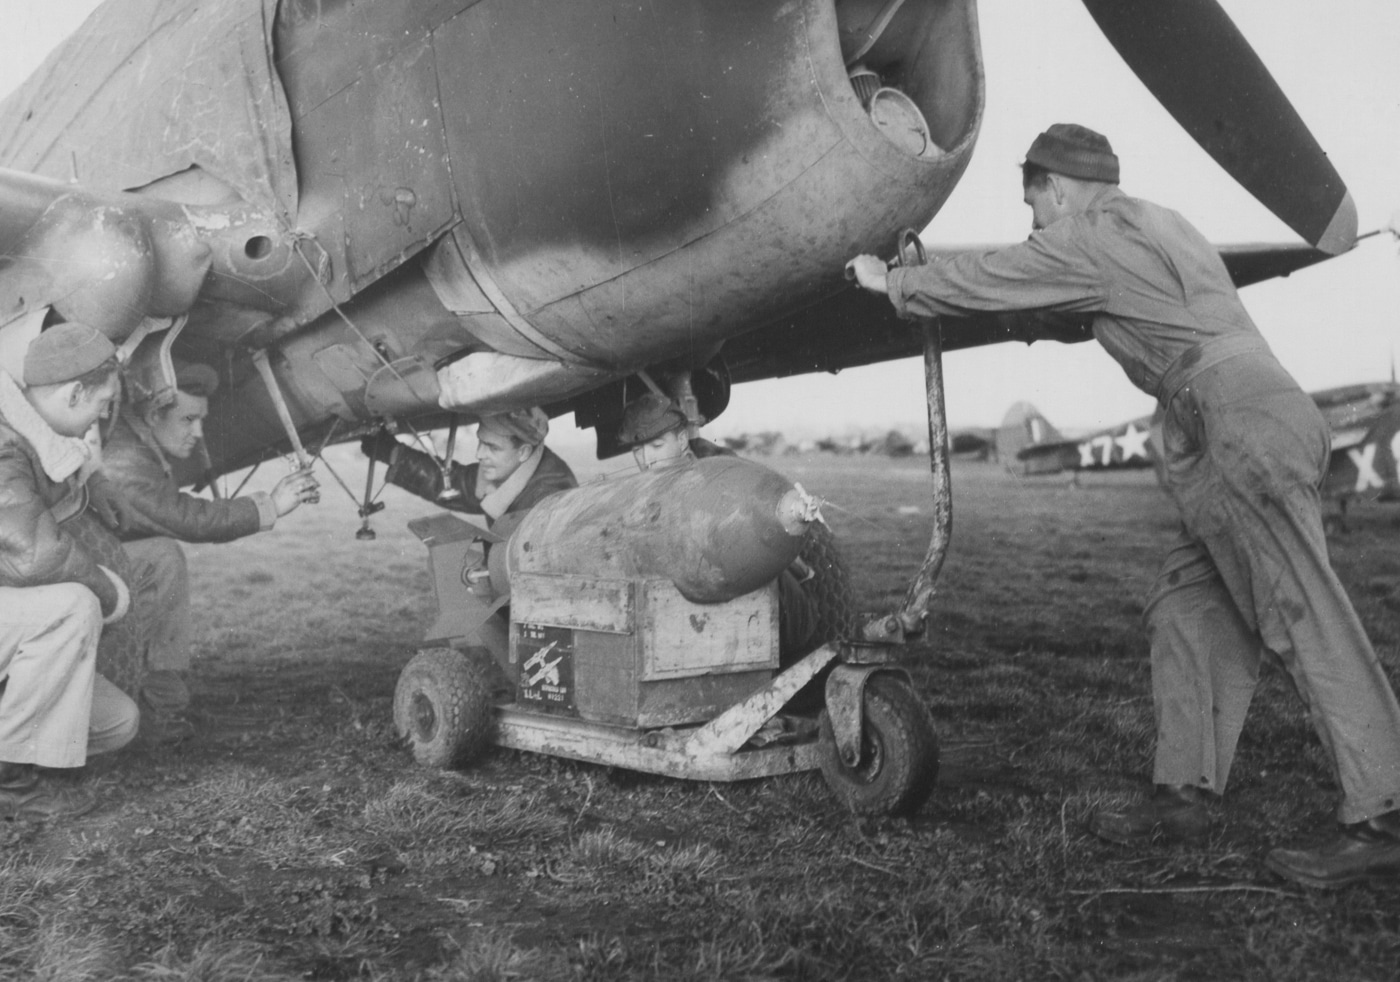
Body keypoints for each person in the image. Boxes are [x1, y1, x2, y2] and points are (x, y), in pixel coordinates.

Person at [847, 123, 1400, 888]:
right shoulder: (1159, 224)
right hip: (1231, 418)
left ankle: (1383, 813)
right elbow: (1090, 310)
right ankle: (1185, 795)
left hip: (1236, 420)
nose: (1034, 223)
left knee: (1304, 613)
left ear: (1060, 190)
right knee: (1186, 604)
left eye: (1034, 205)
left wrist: (895, 283)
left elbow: (1004, 272)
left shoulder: (1091, 234)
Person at [93, 360, 320, 733]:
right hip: (65, 574)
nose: (199, 432)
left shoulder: (134, 441)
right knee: (163, 557)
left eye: (201, 419)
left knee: (161, 556)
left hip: (87, 562)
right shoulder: (125, 458)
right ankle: (155, 705)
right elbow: (185, 518)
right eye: (187, 419)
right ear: (152, 415)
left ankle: (158, 697)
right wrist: (271, 505)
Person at [0, 323, 141, 820]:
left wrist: (92, 479)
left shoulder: (31, 433)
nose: (102, 418)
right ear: (74, 391)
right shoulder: (3, 444)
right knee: (73, 604)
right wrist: (109, 592)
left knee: (117, 723)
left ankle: (24, 756)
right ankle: (12, 784)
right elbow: (36, 555)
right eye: (101, 404)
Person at [617, 393, 821, 664]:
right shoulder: (649, 485)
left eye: (656, 445)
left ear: (680, 441)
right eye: (636, 451)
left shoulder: (719, 476)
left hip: (770, 607)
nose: (646, 459)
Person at [360, 407, 577, 545]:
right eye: (480, 442)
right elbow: (457, 485)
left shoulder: (548, 500)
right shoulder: (514, 468)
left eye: (492, 447)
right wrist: (395, 454)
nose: (479, 454)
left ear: (523, 452)